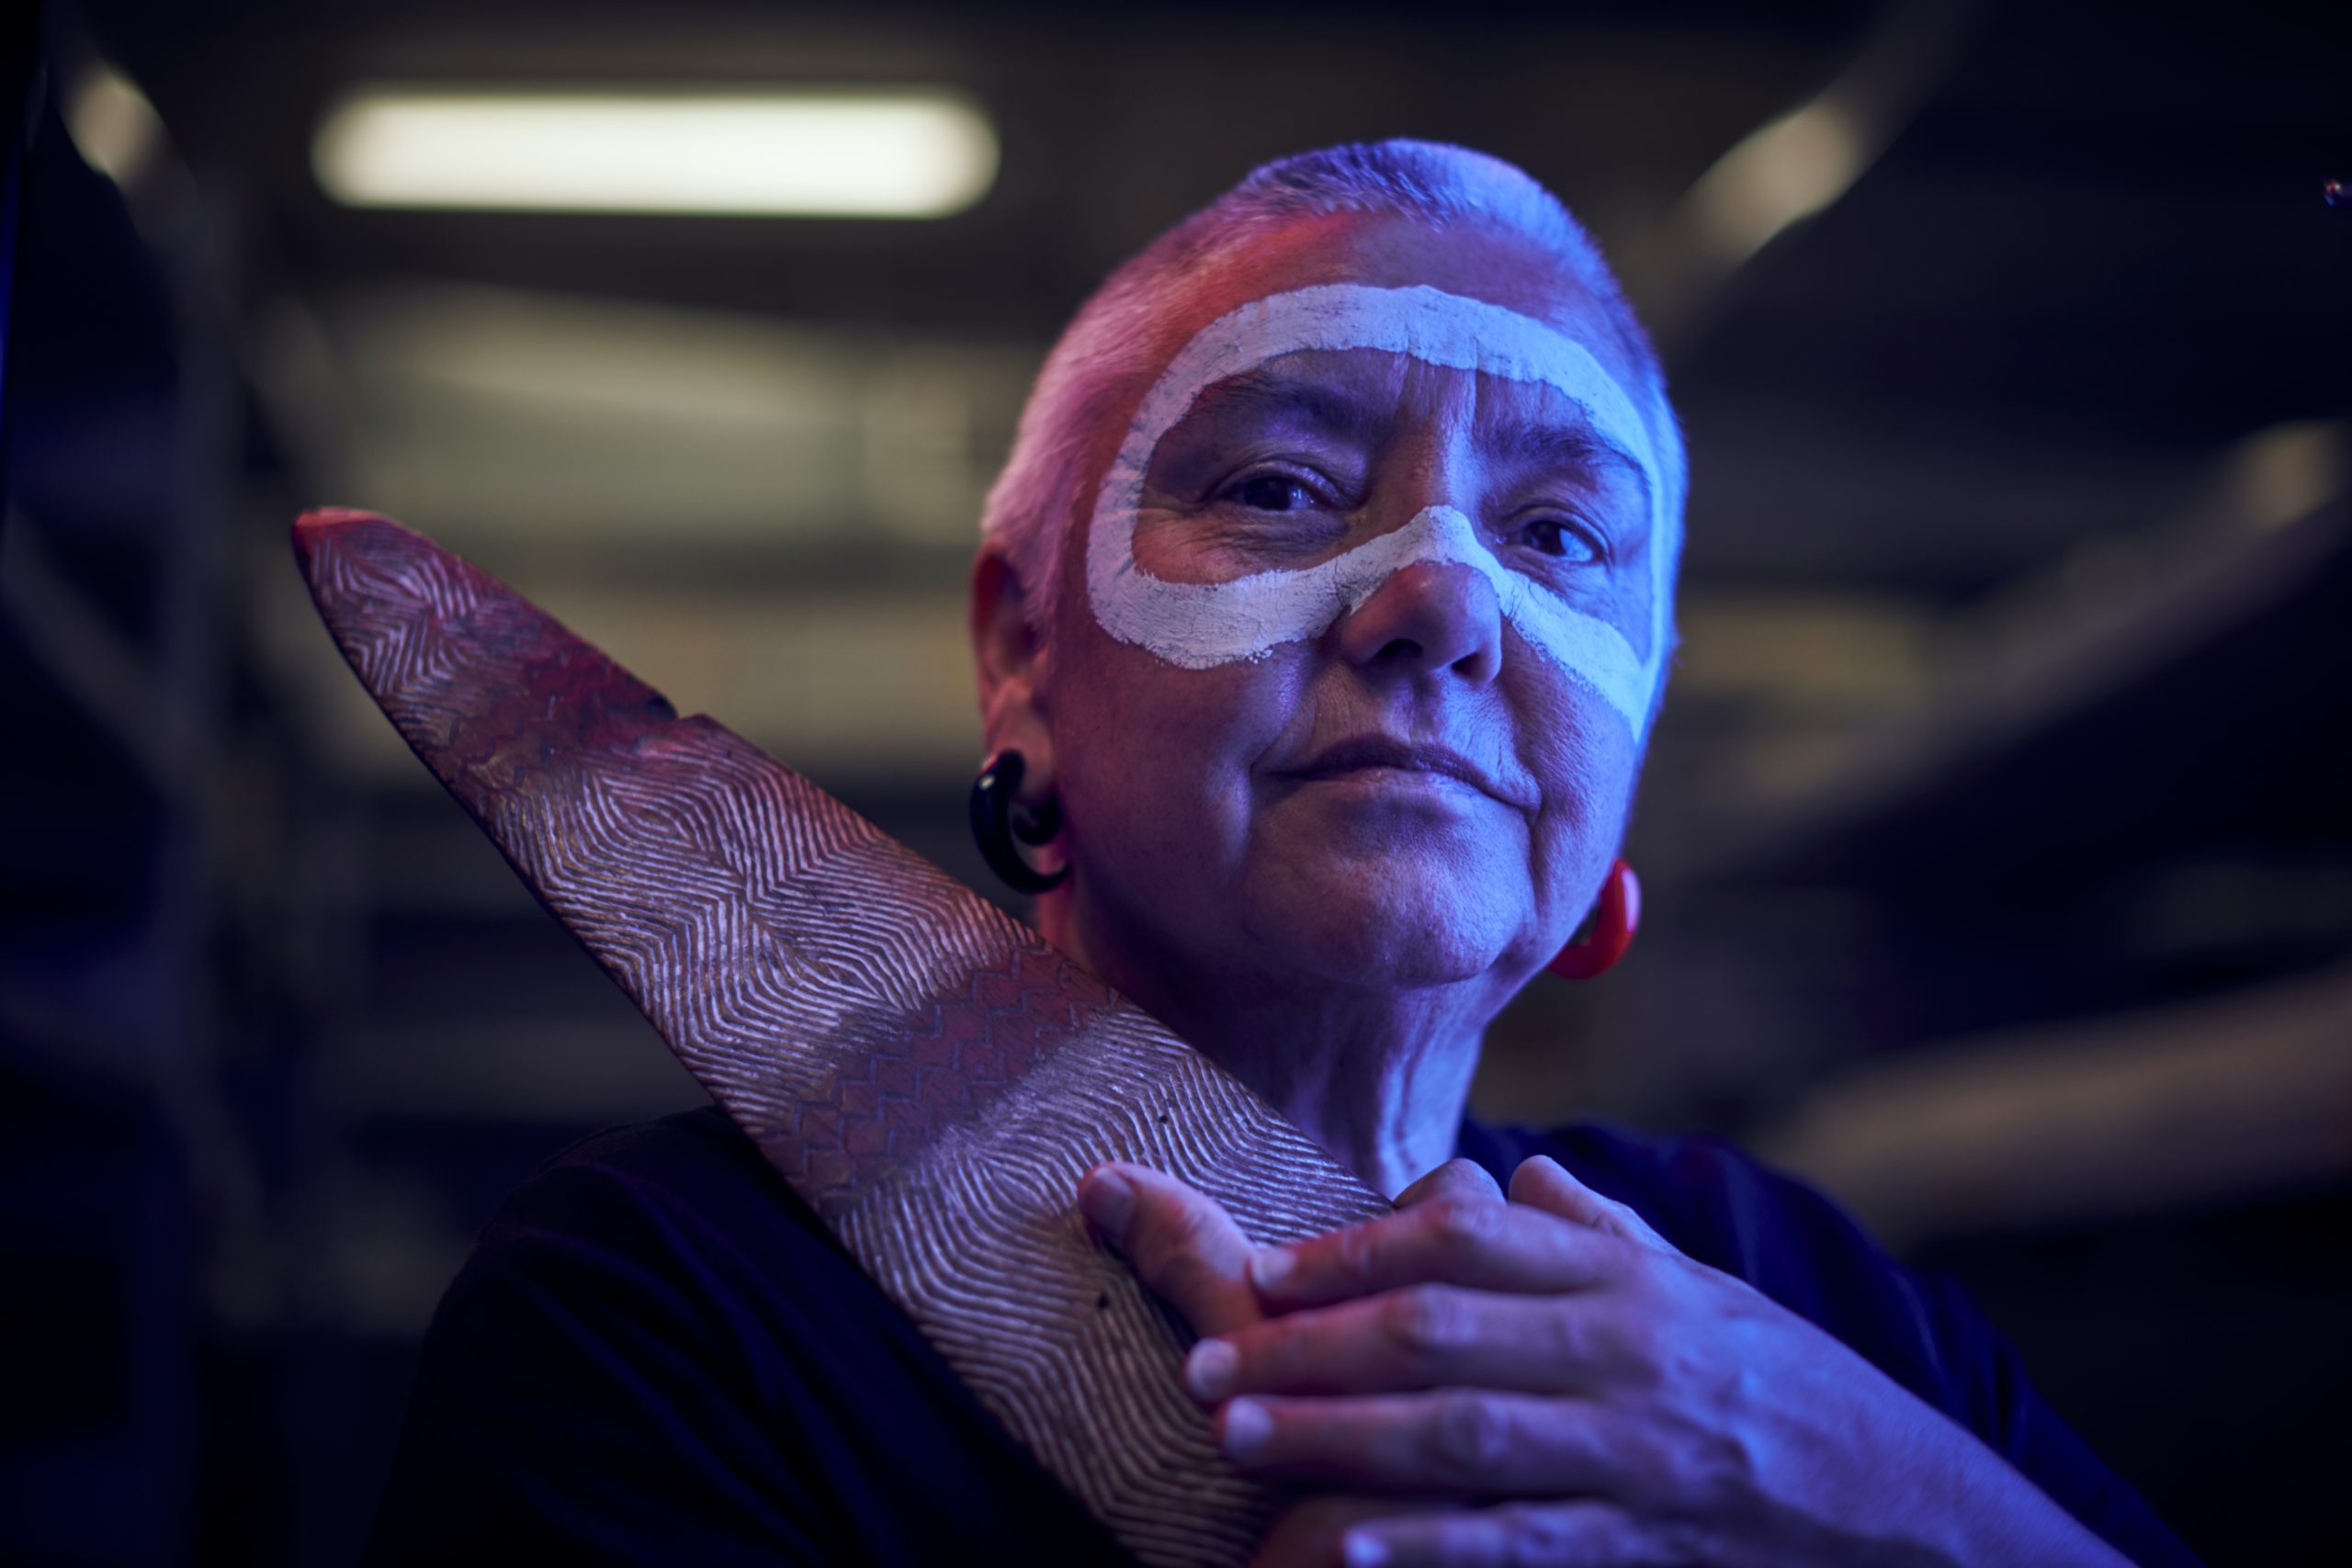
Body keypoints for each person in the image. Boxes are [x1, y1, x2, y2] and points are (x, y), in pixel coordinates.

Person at [366, 141, 2199, 1566]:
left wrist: (1878, 1491)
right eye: (1279, 486)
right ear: (1021, 655)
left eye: (1562, 536)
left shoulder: (1794, 1301)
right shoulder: (661, 1317)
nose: (1443, 602)